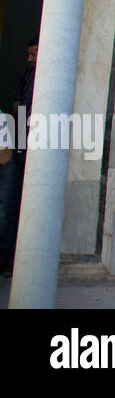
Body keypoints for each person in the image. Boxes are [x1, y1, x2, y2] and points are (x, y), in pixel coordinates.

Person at [0, 39, 36, 276]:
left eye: (34, 54)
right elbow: (17, 104)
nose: (29, 59)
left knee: (10, 207)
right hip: (22, 142)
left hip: (34, 144)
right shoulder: (27, 76)